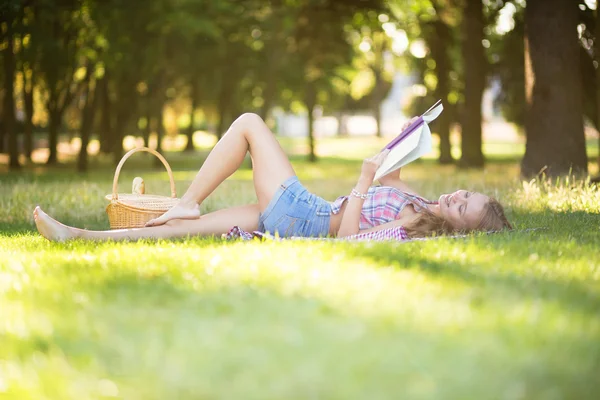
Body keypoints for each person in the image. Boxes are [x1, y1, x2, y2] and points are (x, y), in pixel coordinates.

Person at [33, 113, 512, 242]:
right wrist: (403, 139)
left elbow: (347, 242)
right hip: (298, 217)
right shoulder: (424, 204)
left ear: (459, 228)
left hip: (304, 217)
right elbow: (396, 180)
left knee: (248, 124)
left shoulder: (413, 229)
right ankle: (79, 234)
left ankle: (190, 198)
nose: (454, 196)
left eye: (460, 207)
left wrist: (363, 183)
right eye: (462, 194)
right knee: (177, 232)